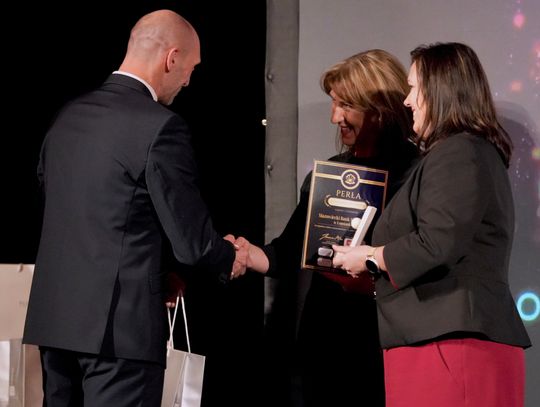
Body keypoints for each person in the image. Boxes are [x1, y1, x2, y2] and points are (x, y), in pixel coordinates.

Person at [22, 10, 247, 407]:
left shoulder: (66, 119)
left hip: (55, 325)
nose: (188, 81)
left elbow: (83, 215)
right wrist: (231, 256)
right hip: (119, 334)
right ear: (172, 58)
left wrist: (156, 274)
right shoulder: (161, 127)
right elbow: (192, 244)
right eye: (191, 68)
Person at [332, 42, 532, 407]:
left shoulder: (459, 151)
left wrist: (371, 257)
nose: (407, 101)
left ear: (441, 91)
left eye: (414, 89)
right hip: (440, 339)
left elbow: (438, 241)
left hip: (452, 344)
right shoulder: (464, 151)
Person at [236, 49, 419, 407]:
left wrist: (372, 284)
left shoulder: (418, 174)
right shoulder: (328, 175)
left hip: (386, 340)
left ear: (380, 109)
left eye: (346, 105)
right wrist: (245, 254)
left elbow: (426, 258)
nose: (335, 117)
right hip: (325, 340)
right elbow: (289, 252)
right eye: (334, 103)